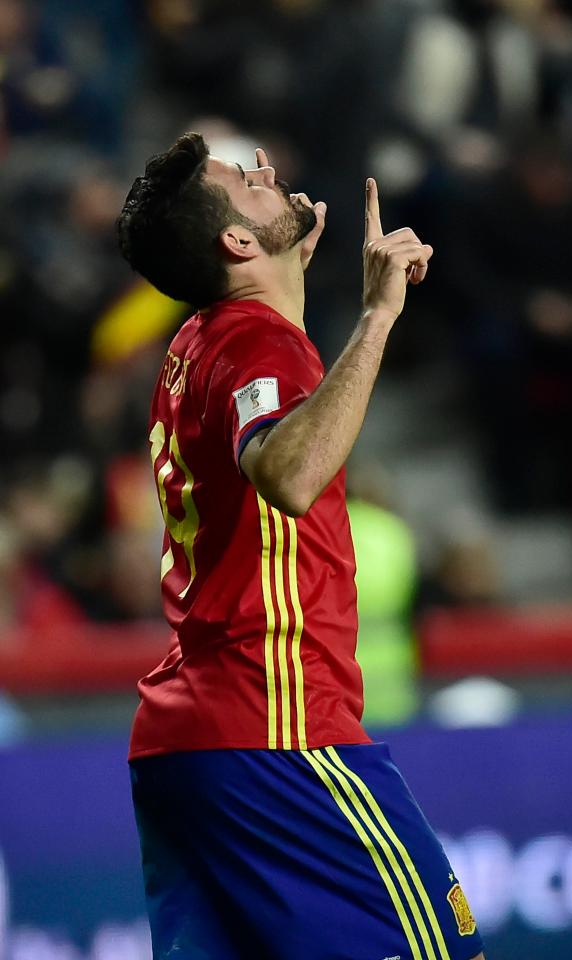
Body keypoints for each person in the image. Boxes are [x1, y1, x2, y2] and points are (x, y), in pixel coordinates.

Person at [117, 132, 484, 960]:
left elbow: (269, 395)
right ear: (236, 242)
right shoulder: (259, 344)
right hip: (278, 732)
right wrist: (380, 316)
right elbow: (287, 470)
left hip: (187, 747)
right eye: (245, 182)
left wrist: (292, 280)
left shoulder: (198, 343)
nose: (268, 172)